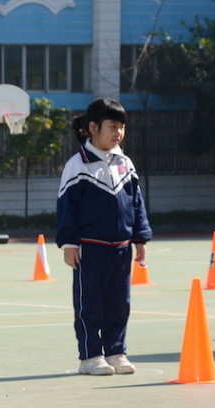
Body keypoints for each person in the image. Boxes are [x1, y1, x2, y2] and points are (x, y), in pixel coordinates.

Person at [56, 98, 152, 376]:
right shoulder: (78, 165)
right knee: (90, 305)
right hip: (90, 249)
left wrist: (140, 238)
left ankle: (116, 351)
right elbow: (66, 208)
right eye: (112, 126)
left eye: (122, 127)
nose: (118, 133)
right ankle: (90, 356)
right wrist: (69, 244)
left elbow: (137, 204)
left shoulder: (125, 163)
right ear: (92, 127)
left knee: (119, 304)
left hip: (121, 249)